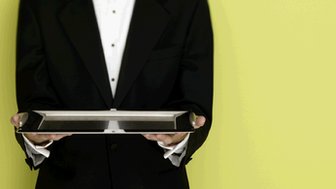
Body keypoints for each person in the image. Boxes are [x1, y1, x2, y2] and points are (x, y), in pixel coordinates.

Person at [10, 0, 213, 188]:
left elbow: (196, 104)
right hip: (67, 181)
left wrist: (181, 138)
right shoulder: (39, 3)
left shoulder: (188, 3)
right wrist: (34, 138)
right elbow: (33, 101)